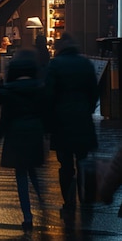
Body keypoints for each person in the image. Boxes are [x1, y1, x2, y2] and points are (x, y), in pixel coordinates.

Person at [45, 33, 98, 217]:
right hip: (82, 119)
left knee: (65, 165)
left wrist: (48, 123)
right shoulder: (85, 63)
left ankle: (68, 202)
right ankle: (86, 197)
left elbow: (49, 95)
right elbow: (94, 92)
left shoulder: (55, 65)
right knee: (83, 160)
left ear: (59, 48)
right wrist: (87, 110)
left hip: (62, 122)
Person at [0, 50, 46, 232]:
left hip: (15, 135)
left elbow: (5, 118)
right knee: (34, 171)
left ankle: (27, 215)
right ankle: (42, 200)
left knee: (21, 176)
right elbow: (44, 112)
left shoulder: (10, 91)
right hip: (34, 132)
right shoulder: (38, 88)